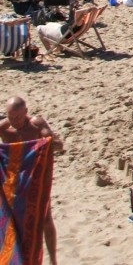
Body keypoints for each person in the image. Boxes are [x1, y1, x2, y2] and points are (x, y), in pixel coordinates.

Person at [1, 96, 63, 264]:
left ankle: (53, 260)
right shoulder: (4, 128)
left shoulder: (36, 125)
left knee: (45, 217)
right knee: (12, 218)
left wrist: (46, 143)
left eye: (18, 117)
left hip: (36, 177)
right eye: (10, 117)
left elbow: (59, 145)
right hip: (14, 180)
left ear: (26, 112)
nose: (14, 121)